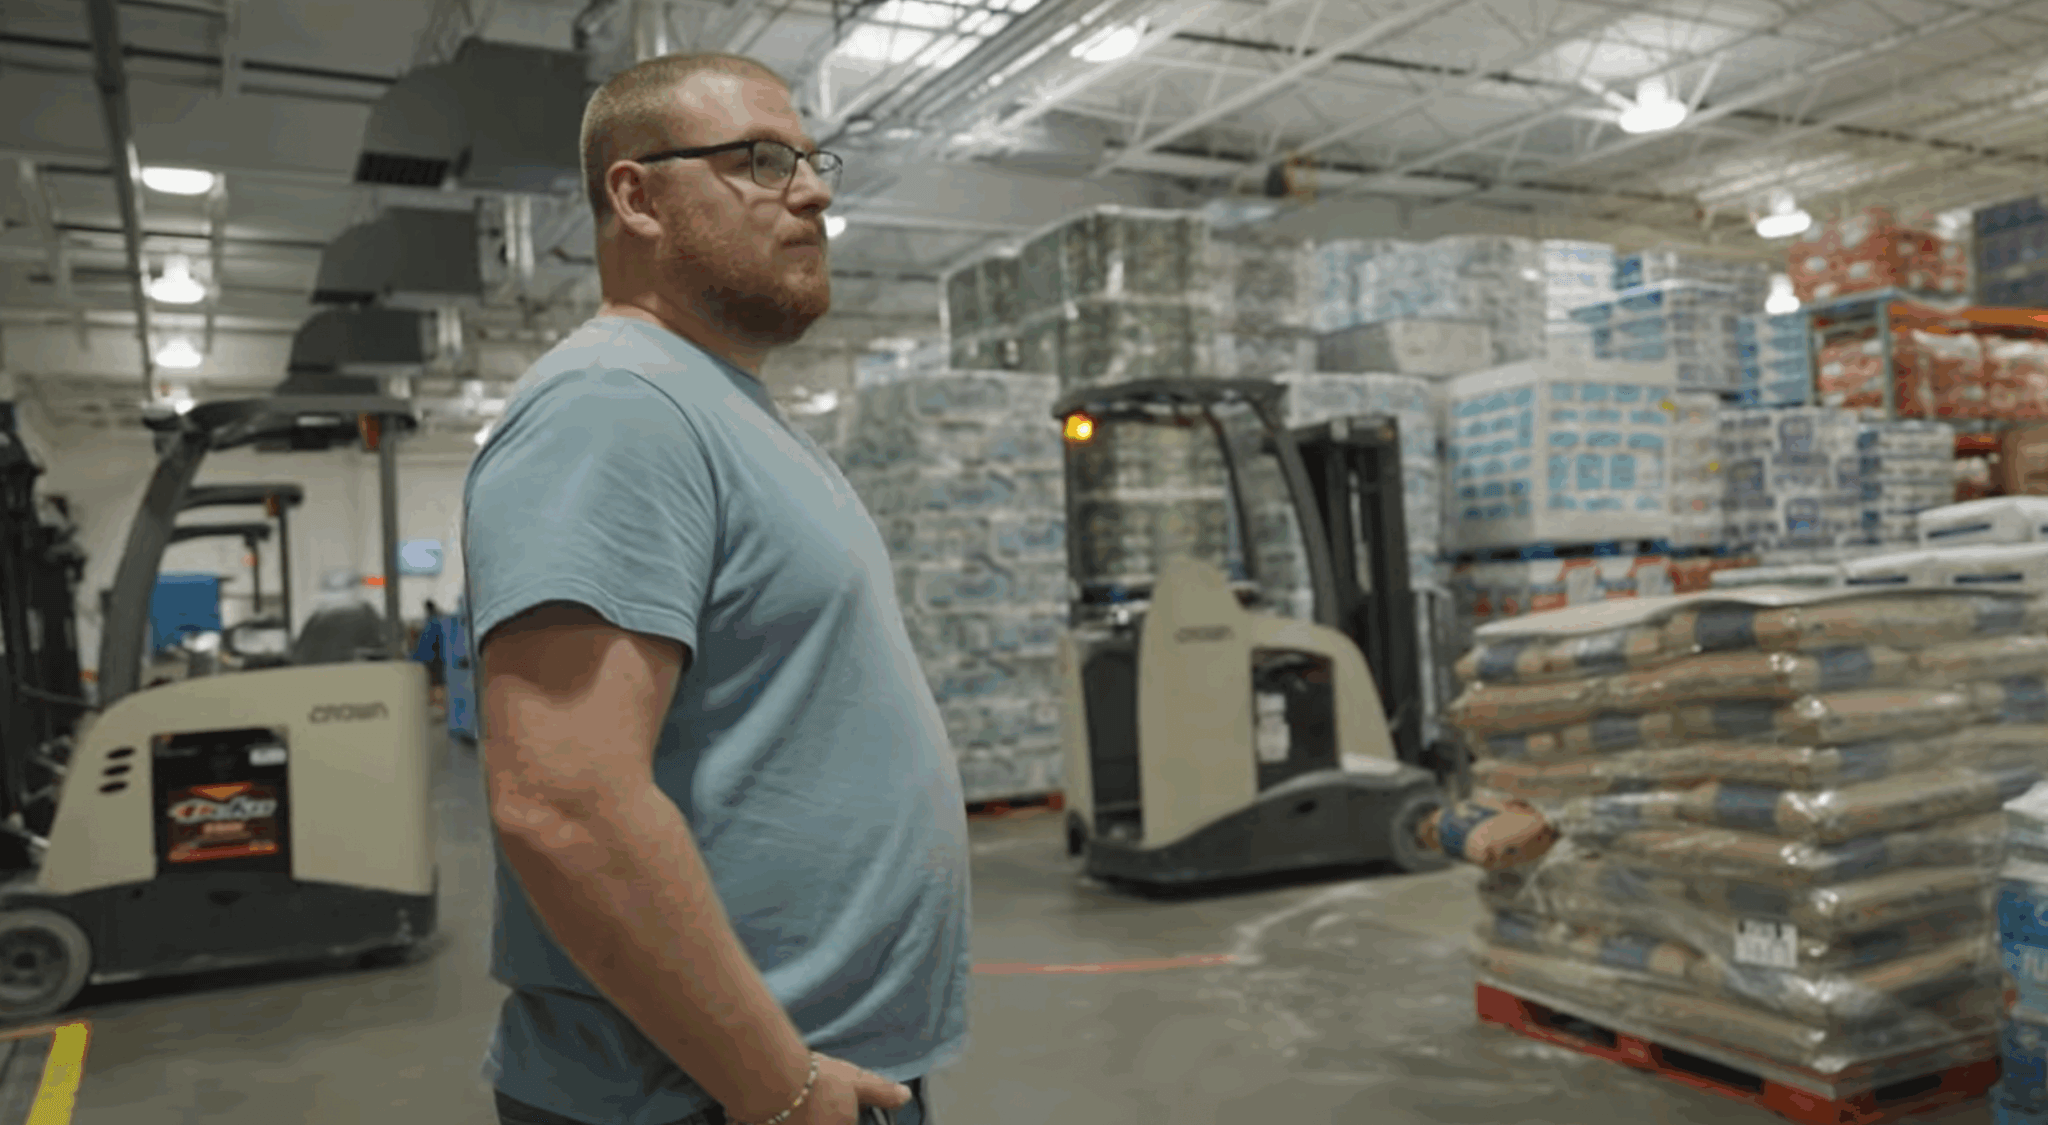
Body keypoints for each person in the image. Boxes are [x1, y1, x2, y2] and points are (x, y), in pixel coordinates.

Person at [462, 52, 970, 1125]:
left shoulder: (719, 408)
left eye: (813, 161)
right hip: (713, 1097)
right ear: (636, 196)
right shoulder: (615, 403)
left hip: (795, 1075)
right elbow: (562, 802)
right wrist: (775, 1084)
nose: (813, 190)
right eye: (762, 160)